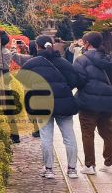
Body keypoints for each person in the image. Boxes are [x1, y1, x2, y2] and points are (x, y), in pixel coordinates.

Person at [22, 35, 80, 179]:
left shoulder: (31, 64)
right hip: (64, 104)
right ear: (52, 45)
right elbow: (74, 80)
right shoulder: (64, 62)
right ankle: (72, 169)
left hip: (42, 105)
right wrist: (62, 89)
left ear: (37, 46)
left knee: (46, 138)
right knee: (69, 137)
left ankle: (48, 170)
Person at [73, 31, 112, 174]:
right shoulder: (108, 59)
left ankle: (89, 166)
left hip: (88, 102)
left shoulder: (81, 60)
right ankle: (109, 163)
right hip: (108, 101)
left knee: (88, 133)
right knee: (108, 132)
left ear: (87, 43)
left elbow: (79, 81)